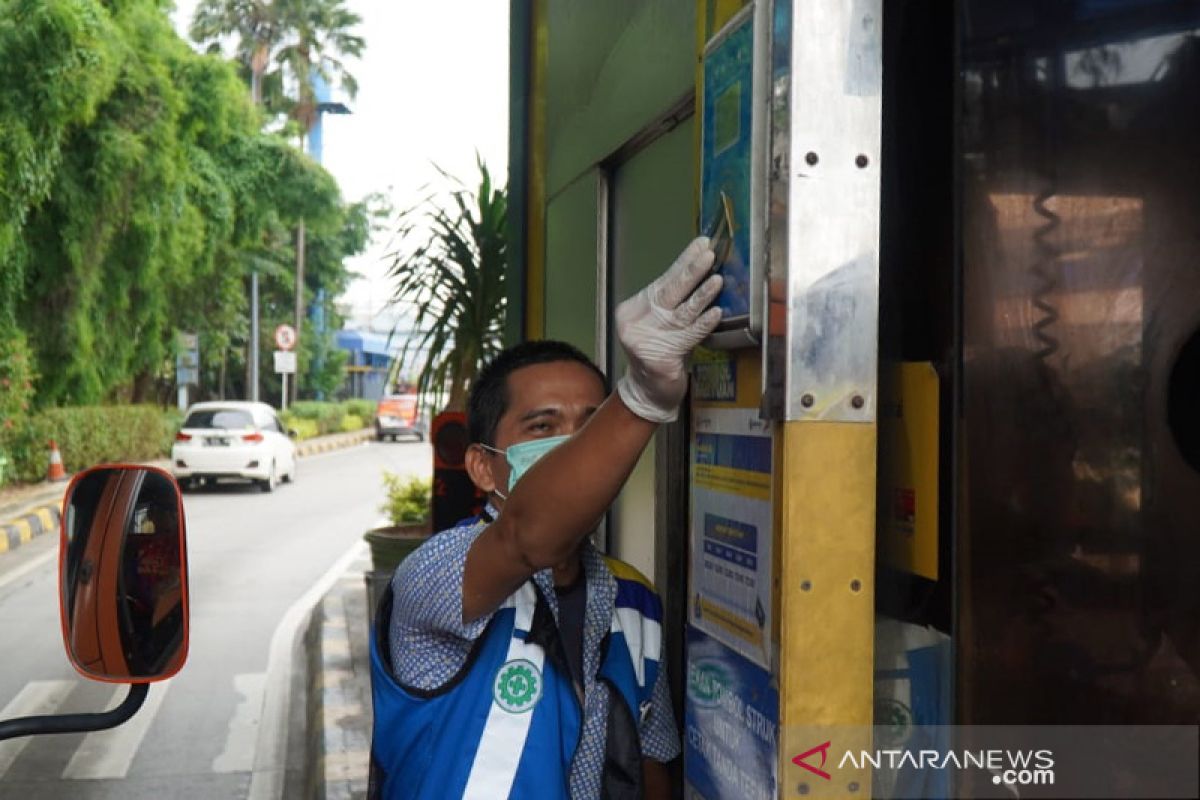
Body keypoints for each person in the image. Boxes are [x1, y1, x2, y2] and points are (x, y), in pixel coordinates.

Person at [369, 237, 724, 799]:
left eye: (590, 426)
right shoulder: (437, 574)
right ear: (483, 468)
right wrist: (643, 396)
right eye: (542, 427)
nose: (572, 447)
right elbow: (526, 536)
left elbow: (654, 763)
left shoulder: (635, 600)